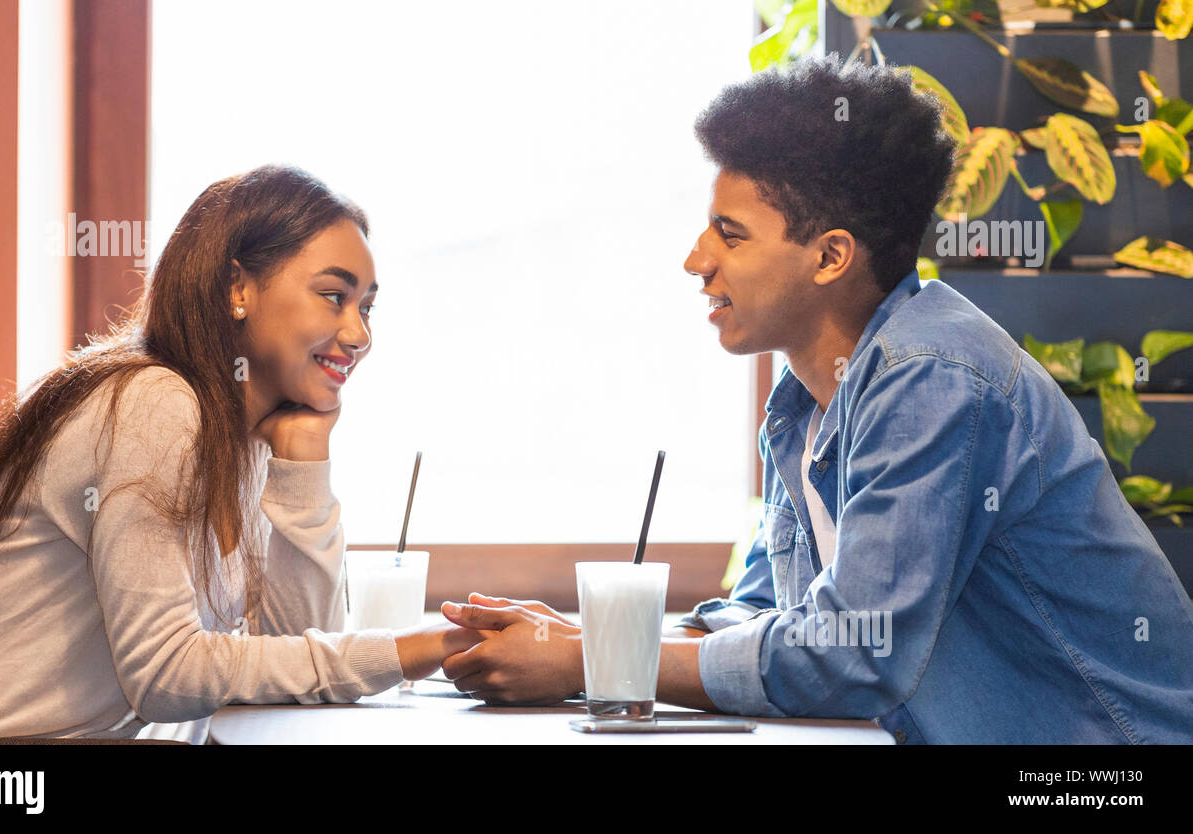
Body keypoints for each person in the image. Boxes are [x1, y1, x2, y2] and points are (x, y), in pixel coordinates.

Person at [439, 57, 1193, 743]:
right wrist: (589, 637)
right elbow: (769, 616)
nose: (695, 260)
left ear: (831, 256)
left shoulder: (931, 375)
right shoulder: (807, 398)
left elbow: (852, 655)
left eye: (729, 235)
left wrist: (595, 664)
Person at [0, 165, 483, 741]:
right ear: (239, 290)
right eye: (334, 297)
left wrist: (302, 466)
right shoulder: (156, 404)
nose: (360, 335)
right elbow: (165, 675)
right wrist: (407, 650)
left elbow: (291, 657)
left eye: (367, 307)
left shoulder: (245, 434)